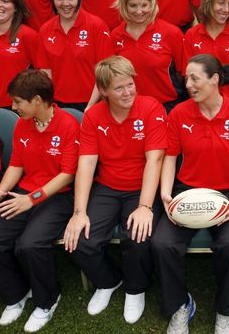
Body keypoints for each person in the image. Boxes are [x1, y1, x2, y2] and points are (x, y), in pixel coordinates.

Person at [152, 54, 229, 334]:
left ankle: (226, 310)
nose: (188, 84)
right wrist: (165, 194)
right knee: (162, 244)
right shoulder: (179, 113)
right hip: (186, 191)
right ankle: (179, 306)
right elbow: (170, 158)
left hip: (227, 194)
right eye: (186, 78)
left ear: (214, 79)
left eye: (194, 78)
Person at [62, 56, 166, 325]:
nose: (128, 92)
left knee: (139, 237)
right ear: (103, 90)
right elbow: (86, 163)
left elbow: (155, 160)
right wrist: (79, 211)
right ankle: (109, 281)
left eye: (130, 84)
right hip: (107, 187)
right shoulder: (93, 116)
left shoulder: (151, 108)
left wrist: (145, 206)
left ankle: (135, 288)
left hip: (141, 187)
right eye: (119, 88)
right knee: (80, 240)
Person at [0, 70, 79, 333]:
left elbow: (67, 175)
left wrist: (31, 200)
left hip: (57, 197)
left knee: (30, 245)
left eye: (18, 101)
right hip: (23, 192)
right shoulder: (23, 124)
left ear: (36, 100)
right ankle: (17, 294)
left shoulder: (68, 125)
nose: (13, 107)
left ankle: (47, 301)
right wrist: (1, 192)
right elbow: (16, 165)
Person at [38, 0, 112, 111]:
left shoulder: (97, 26)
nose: (65, 4)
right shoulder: (45, 30)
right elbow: (45, 74)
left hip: (93, 104)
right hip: (58, 106)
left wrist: (91, 105)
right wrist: (50, 105)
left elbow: (104, 72)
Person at [108, 0, 185, 111]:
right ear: (124, 5)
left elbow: (183, 74)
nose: (139, 11)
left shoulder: (172, 33)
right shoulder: (115, 35)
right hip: (128, 107)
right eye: (133, 5)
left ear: (152, 4)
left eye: (144, 5)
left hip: (166, 106)